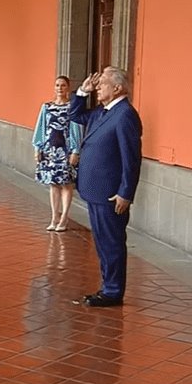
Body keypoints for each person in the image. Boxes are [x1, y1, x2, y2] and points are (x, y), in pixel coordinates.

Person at [69, 67, 143, 307]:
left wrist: (125, 192)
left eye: (102, 84)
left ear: (118, 88)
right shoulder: (104, 112)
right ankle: (107, 286)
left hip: (110, 194)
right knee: (102, 242)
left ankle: (112, 291)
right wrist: (82, 92)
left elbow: (131, 158)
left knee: (111, 243)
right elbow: (75, 115)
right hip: (96, 190)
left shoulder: (125, 115)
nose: (98, 87)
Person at [33, 75, 84, 232]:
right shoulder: (46, 107)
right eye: (57, 85)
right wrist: (37, 148)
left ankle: (64, 218)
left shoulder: (71, 108)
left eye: (63, 85)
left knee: (66, 184)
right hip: (50, 151)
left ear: (68, 88)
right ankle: (54, 216)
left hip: (66, 151)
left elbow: (76, 129)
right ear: (54, 88)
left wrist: (76, 151)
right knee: (53, 184)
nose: (60, 88)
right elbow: (40, 127)